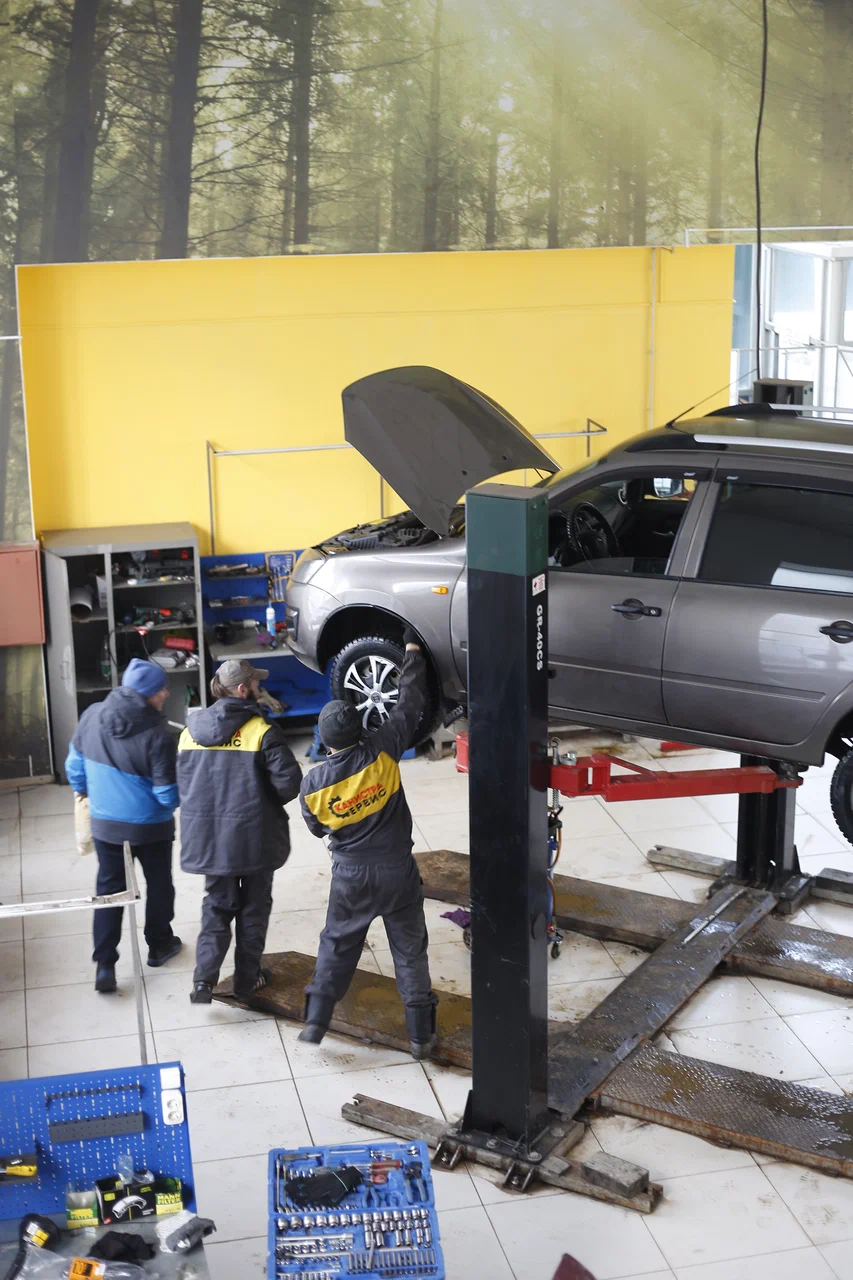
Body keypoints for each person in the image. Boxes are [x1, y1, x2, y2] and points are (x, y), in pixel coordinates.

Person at [299, 630, 438, 1059]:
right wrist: (411, 651)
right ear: (361, 728)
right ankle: (421, 1037)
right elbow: (409, 702)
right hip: (398, 872)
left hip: (351, 878)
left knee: (337, 945)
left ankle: (315, 1022)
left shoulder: (313, 785)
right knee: (410, 951)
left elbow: (317, 829)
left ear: (325, 741)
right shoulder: (384, 749)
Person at [177, 658, 302, 1004]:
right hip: (255, 840)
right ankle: (246, 982)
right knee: (253, 910)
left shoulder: (190, 732)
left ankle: (203, 982)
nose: (261, 689)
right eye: (256, 684)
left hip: (211, 843)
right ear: (244, 689)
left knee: (216, 907)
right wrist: (263, 802)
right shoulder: (261, 731)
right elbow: (289, 783)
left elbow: (184, 786)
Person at [65, 657, 182, 994]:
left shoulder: (91, 715)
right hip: (151, 829)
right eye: (161, 690)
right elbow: (165, 796)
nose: (165, 694)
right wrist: (179, 796)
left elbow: (74, 766)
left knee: (110, 891)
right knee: (159, 884)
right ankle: (159, 945)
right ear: (147, 694)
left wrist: (84, 790)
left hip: (106, 827)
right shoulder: (159, 735)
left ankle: (105, 965)